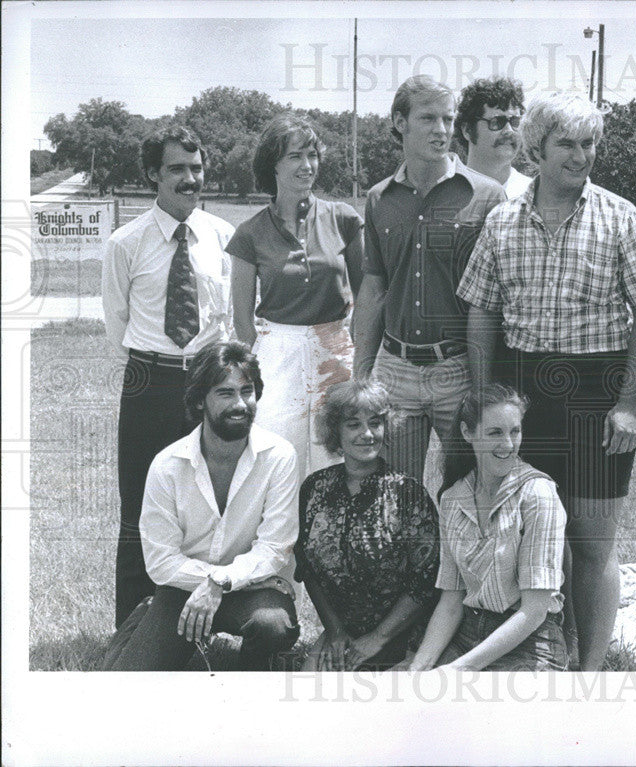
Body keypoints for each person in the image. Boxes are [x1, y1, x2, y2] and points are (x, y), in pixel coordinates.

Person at [458, 93, 636, 671]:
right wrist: (483, 400)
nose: (581, 157)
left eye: (589, 144)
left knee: (592, 540)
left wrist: (629, 404)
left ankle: (592, 671)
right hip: (524, 389)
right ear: (537, 148)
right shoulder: (503, 220)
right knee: (534, 532)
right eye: (567, 145)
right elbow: (480, 309)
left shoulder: (620, 215)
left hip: (596, 390)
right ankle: (543, 651)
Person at [102, 125, 235, 628]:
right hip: (149, 380)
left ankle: (208, 620)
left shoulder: (224, 238)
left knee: (211, 502)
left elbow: (231, 319)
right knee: (139, 505)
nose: (189, 178)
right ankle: (132, 628)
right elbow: (117, 322)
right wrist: (152, 372)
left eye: (196, 168)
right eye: (177, 169)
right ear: (154, 174)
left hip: (208, 382)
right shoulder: (125, 243)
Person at [102, 341, 300, 671]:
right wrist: (208, 583)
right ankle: (146, 617)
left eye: (247, 391)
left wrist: (220, 582)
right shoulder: (167, 466)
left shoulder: (279, 457)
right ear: (199, 400)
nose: (240, 404)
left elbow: (276, 548)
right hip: (183, 591)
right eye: (225, 393)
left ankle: (247, 681)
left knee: (273, 625)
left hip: (253, 590)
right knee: (130, 678)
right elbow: (161, 561)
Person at [351, 75, 505, 485]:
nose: (442, 130)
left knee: (467, 489)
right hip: (395, 371)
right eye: (428, 118)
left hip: (458, 368)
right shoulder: (379, 199)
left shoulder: (487, 197)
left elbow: (493, 302)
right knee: (396, 496)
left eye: (448, 119)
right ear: (400, 122)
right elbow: (374, 286)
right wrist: (361, 373)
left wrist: (483, 383)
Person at [228, 113, 363, 484]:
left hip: (336, 347)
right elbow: (242, 324)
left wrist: (361, 360)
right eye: (294, 157)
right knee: (276, 460)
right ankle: (279, 542)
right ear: (272, 163)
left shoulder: (344, 219)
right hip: (277, 352)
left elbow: (368, 299)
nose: (307, 166)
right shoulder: (249, 233)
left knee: (334, 460)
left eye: (312, 155)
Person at [409, 384, 568, 671]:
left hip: (529, 640)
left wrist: (456, 670)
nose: (508, 444)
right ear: (468, 433)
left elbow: (533, 612)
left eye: (515, 432)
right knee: (404, 700)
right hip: (466, 635)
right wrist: (419, 668)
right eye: (495, 433)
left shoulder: (538, 494)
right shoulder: (452, 498)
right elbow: (451, 600)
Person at [296, 379, 440, 671]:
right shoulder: (315, 488)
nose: (367, 434)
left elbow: (425, 583)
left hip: (401, 636)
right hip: (342, 636)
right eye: (353, 424)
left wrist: (377, 639)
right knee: (303, 703)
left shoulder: (408, 494)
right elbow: (307, 568)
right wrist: (335, 632)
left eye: (375, 423)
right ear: (336, 431)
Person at [456, 76, 533, 198]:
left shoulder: (534, 194)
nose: (508, 130)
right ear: (467, 130)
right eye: (496, 122)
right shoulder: (448, 193)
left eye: (514, 122)